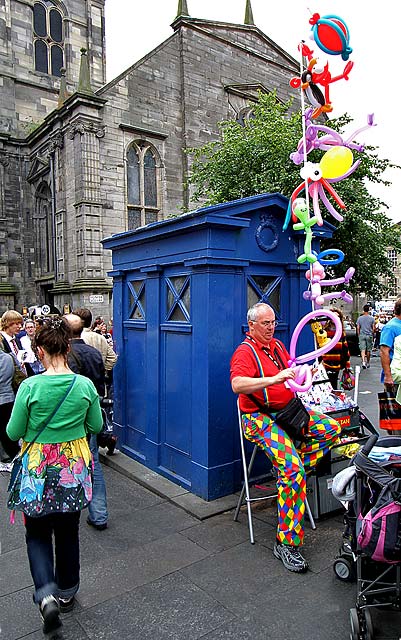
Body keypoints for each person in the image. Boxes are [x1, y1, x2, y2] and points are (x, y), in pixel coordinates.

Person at [6, 316, 102, 636]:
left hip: (37, 469)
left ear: (39, 350)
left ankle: (45, 592)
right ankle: (67, 591)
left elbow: (13, 431)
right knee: (68, 530)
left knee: (36, 532)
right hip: (71, 467)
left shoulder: (31, 386)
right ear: (66, 347)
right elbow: (97, 426)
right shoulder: (84, 386)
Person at [230, 303, 341, 573]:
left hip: (289, 411)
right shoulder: (245, 351)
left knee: (332, 429)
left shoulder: (277, 346)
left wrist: (306, 373)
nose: (271, 327)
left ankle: (291, 470)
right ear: (252, 325)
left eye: (273, 322)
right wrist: (273, 379)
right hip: (260, 418)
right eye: (265, 323)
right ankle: (286, 543)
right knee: (292, 470)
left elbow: (292, 372)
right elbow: (237, 384)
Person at [64, 313, 109, 530]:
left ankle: (67, 509)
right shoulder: (93, 352)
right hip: (93, 412)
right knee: (93, 463)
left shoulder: (66, 356)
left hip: (74, 418)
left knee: (69, 464)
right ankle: (99, 514)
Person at [380, 299, 401, 427]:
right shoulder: (391, 327)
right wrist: (388, 376)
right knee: (395, 415)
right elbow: (384, 351)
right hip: (395, 376)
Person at [321, 308, 351, 390]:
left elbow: (345, 349)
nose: (335, 318)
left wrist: (347, 365)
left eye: (337, 317)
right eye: (333, 316)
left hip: (336, 363)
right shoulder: (324, 332)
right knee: (324, 385)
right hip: (324, 362)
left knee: (333, 385)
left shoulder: (341, 332)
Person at [0, 309, 35, 377]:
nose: (20, 326)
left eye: (21, 324)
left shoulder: (17, 340)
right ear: (8, 324)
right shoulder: (1, 341)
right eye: (17, 324)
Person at [0, 348, 20, 461]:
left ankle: (6, 456)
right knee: (7, 428)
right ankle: (13, 454)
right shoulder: (9, 358)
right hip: (9, 397)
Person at [356, 304, 375, 369]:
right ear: (369, 310)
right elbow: (373, 328)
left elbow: (358, 327)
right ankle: (368, 362)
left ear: (363, 310)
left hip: (362, 335)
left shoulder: (360, 318)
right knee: (369, 350)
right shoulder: (372, 318)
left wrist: (358, 334)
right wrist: (372, 334)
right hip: (369, 335)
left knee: (362, 349)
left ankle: (363, 361)